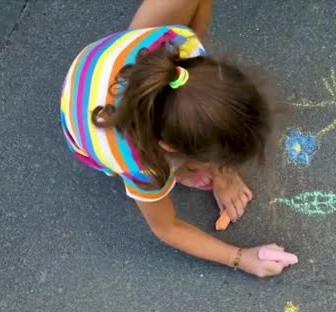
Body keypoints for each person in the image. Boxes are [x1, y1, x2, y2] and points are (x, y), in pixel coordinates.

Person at [59, 0, 292, 278]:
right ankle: (190, 163)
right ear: (168, 147)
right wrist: (241, 258)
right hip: (83, 118)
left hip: (117, 59)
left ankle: (202, 150)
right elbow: (167, 228)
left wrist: (222, 171)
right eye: (218, 161)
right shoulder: (140, 163)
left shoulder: (185, 50)